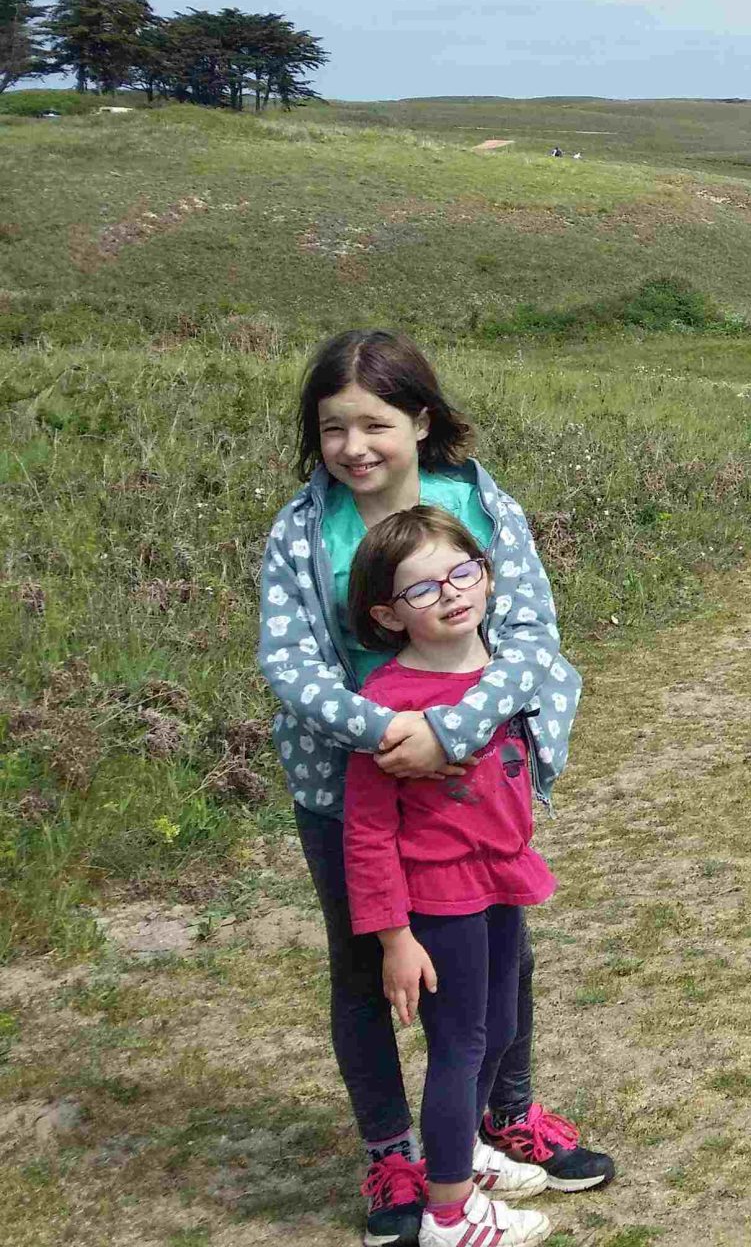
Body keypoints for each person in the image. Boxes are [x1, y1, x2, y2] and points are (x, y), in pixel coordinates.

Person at [258, 330, 612, 1247]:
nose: (353, 447)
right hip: (350, 789)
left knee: (503, 960)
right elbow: (289, 665)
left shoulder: (481, 508)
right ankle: (394, 1157)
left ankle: (503, 1121)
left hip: (477, 783)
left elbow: (530, 637)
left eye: (374, 423)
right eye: (332, 427)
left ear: (420, 420)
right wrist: (386, 735)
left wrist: (449, 733)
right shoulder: (301, 530)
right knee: (363, 966)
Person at [344, 506, 560, 1246]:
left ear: (487, 574)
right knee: (461, 1045)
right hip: (440, 898)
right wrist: (394, 937)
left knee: (500, 1030)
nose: (451, 593)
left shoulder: (502, 675)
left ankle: (460, 1155)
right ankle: (447, 1213)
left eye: (462, 573)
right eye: (422, 588)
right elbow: (368, 830)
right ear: (388, 614)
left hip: (499, 880)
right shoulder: (387, 704)